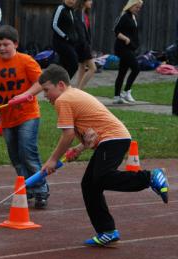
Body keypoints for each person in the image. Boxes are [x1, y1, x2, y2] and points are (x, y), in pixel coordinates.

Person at [36, 64, 169, 246]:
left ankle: (150, 177)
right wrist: (79, 149)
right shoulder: (74, 94)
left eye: (46, 90)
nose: (45, 96)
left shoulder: (64, 100)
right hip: (111, 139)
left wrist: (52, 160)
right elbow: (92, 132)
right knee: (90, 185)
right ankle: (107, 231)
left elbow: (66, 134)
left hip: (114, 139)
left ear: (60, 85)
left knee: (103, 177)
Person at [0, 25, 50, 209]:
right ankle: (27, 187)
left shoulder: (26, 61)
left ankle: (41, 188)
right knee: (15, 156)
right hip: (6, 117)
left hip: (28, 114)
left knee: (28, 152)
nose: (2, 48)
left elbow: (41, 82)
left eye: (6, 44)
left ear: (16, 44)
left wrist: (25, 94)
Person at [113, 0, 143, 104]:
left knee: (122, 72)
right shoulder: (124, 16)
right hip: (122, 48)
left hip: (130, 48)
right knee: (136, 68)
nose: (138, 9)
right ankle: (126, 92)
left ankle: (117, 97)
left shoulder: (133, 17)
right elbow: (115, 30)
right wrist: (126, 39)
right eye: (136, 7)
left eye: (139, 8)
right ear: (131, 6)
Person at [51, 0, 79, 79]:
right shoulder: (60, 8)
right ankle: (63, 83)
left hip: (70, 43)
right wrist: (65, 36)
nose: (72, 1)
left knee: (65, 65)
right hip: (60, 42)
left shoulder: (71, 11)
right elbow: (54, 25)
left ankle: (60, 84)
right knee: (74, 63)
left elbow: (72, 27)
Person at [74, 0, 96, 90]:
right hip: (82, 45)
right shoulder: (78, 13)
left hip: (85, 44)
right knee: (93, 68)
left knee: (82, 68)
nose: (91, 2)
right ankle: (79, 90)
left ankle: (77, 90)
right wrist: (85, 44)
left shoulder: (85, 14)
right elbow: (79, 31)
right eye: (90, 0)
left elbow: (87, 31)